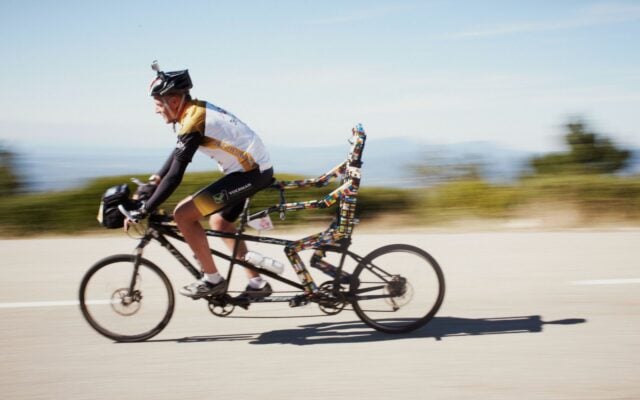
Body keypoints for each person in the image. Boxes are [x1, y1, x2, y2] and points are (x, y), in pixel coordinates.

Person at [126, 62, 274, 301]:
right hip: (252, 171)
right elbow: (177, 154)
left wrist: (144, 209)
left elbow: (176, 175)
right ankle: (257, 282)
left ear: (173, 101)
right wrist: (156, 179)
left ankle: (212, 280)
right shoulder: (193, 111)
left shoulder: (193, 120)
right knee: (220, 222)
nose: (156, 110)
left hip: (250, 174)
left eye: (157, 103)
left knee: (183, 215)